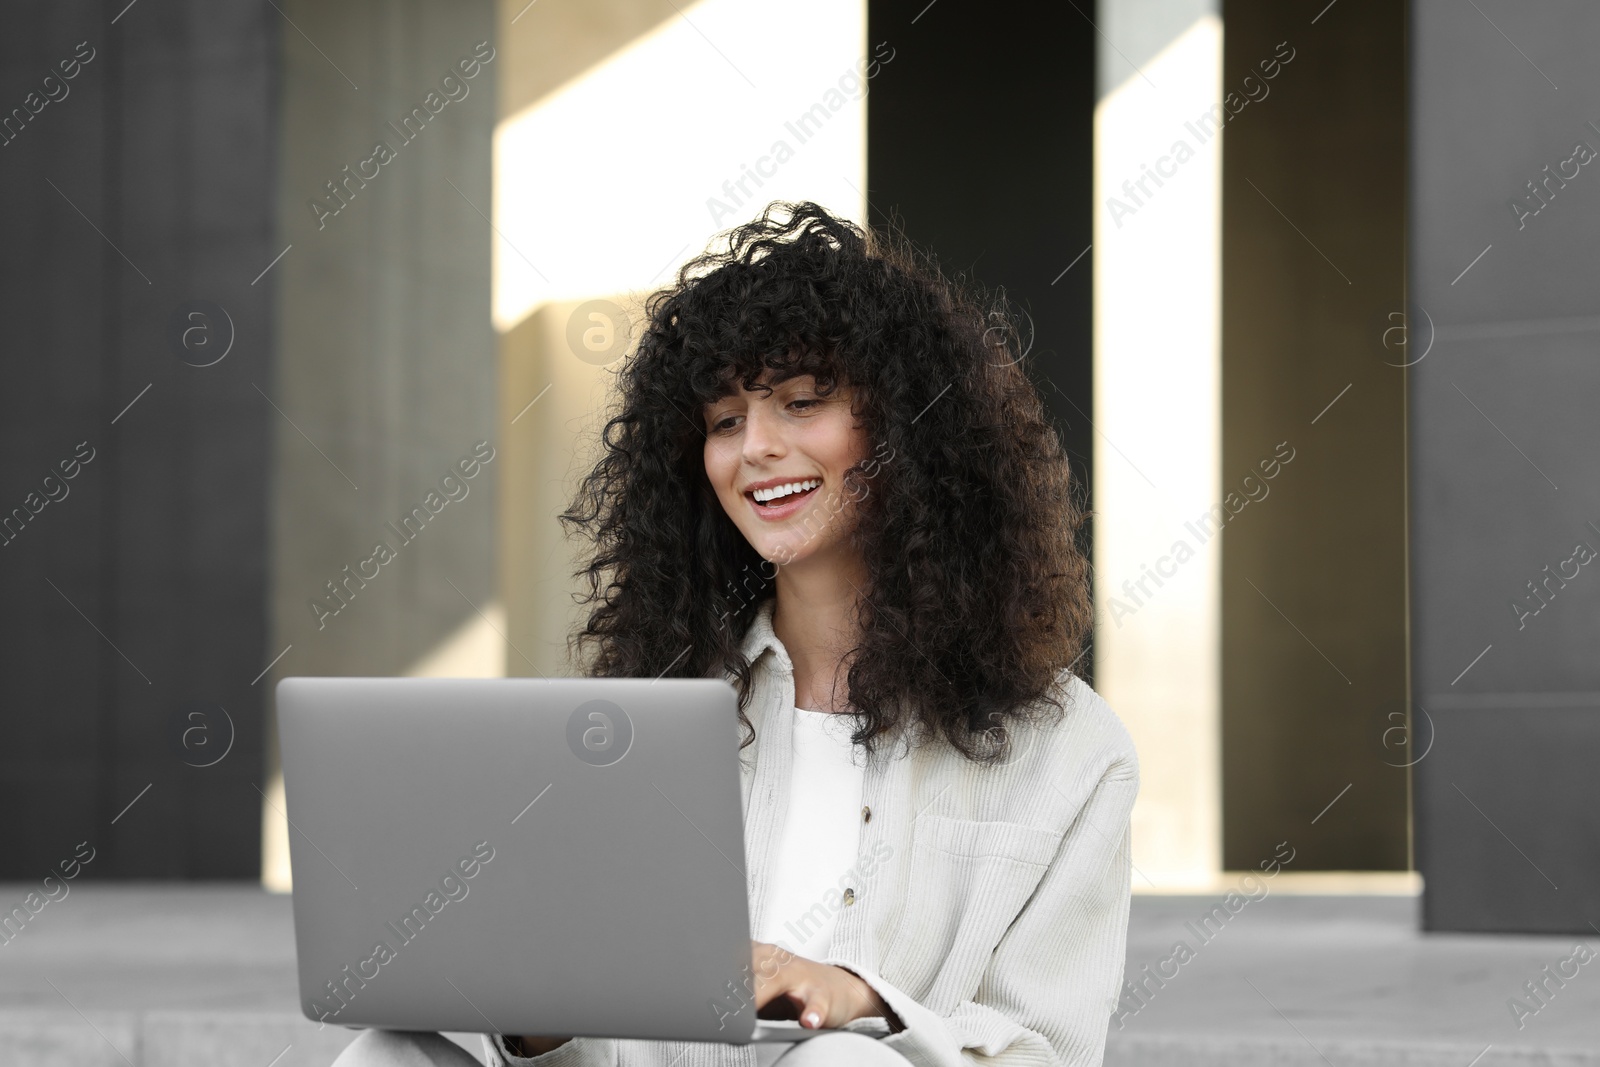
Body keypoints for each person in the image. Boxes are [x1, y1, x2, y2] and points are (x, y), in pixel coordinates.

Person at [332, 202, 1138, 1067]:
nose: (755, 447)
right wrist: (540, 1025)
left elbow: (1046, 1049)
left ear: (910, 427)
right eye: (723, 420)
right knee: (385, 1053)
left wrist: (865, 1004)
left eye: (800, 402)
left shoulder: (1068, 748)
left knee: (842, 1061)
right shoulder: (647, 713)